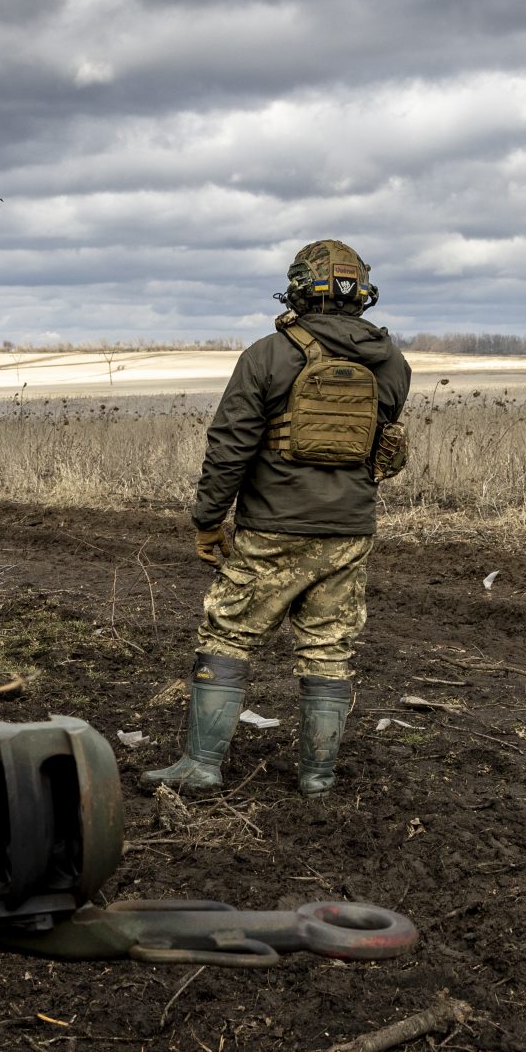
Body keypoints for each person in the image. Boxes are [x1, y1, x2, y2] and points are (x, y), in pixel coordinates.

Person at [145, 239, 411, 795]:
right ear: (361, 292)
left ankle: (201, 765)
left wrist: (208, 519)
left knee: (227, 635)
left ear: (299, 287)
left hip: (272, 529)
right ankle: (317, 777)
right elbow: (383, 447)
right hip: (350, 532)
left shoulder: (268, 355)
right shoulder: (392, 363)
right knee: (328, 646)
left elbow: (229, 447)